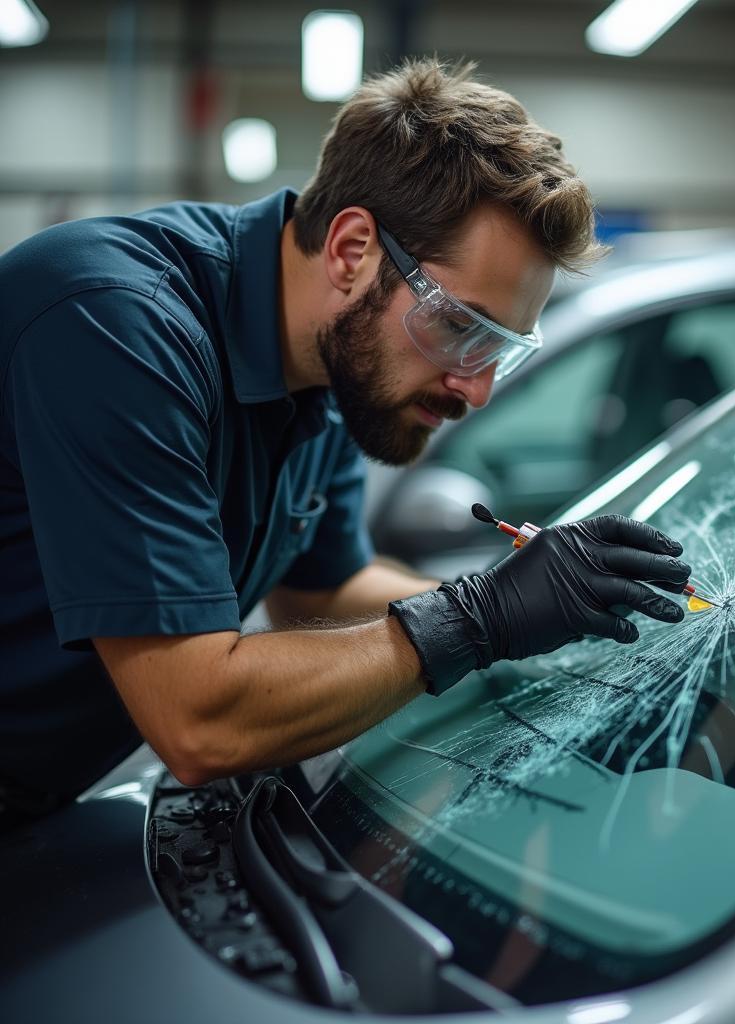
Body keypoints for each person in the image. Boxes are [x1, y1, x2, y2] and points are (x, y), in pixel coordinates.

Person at [0, 59, 690, 823]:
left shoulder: (333, 367)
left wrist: (552, 619)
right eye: (462, 328)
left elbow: (323, 591)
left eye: (502, 349)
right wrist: (477, 617)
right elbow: (199, 719)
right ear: (352, 249)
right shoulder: (116, 326)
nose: (478, 388)